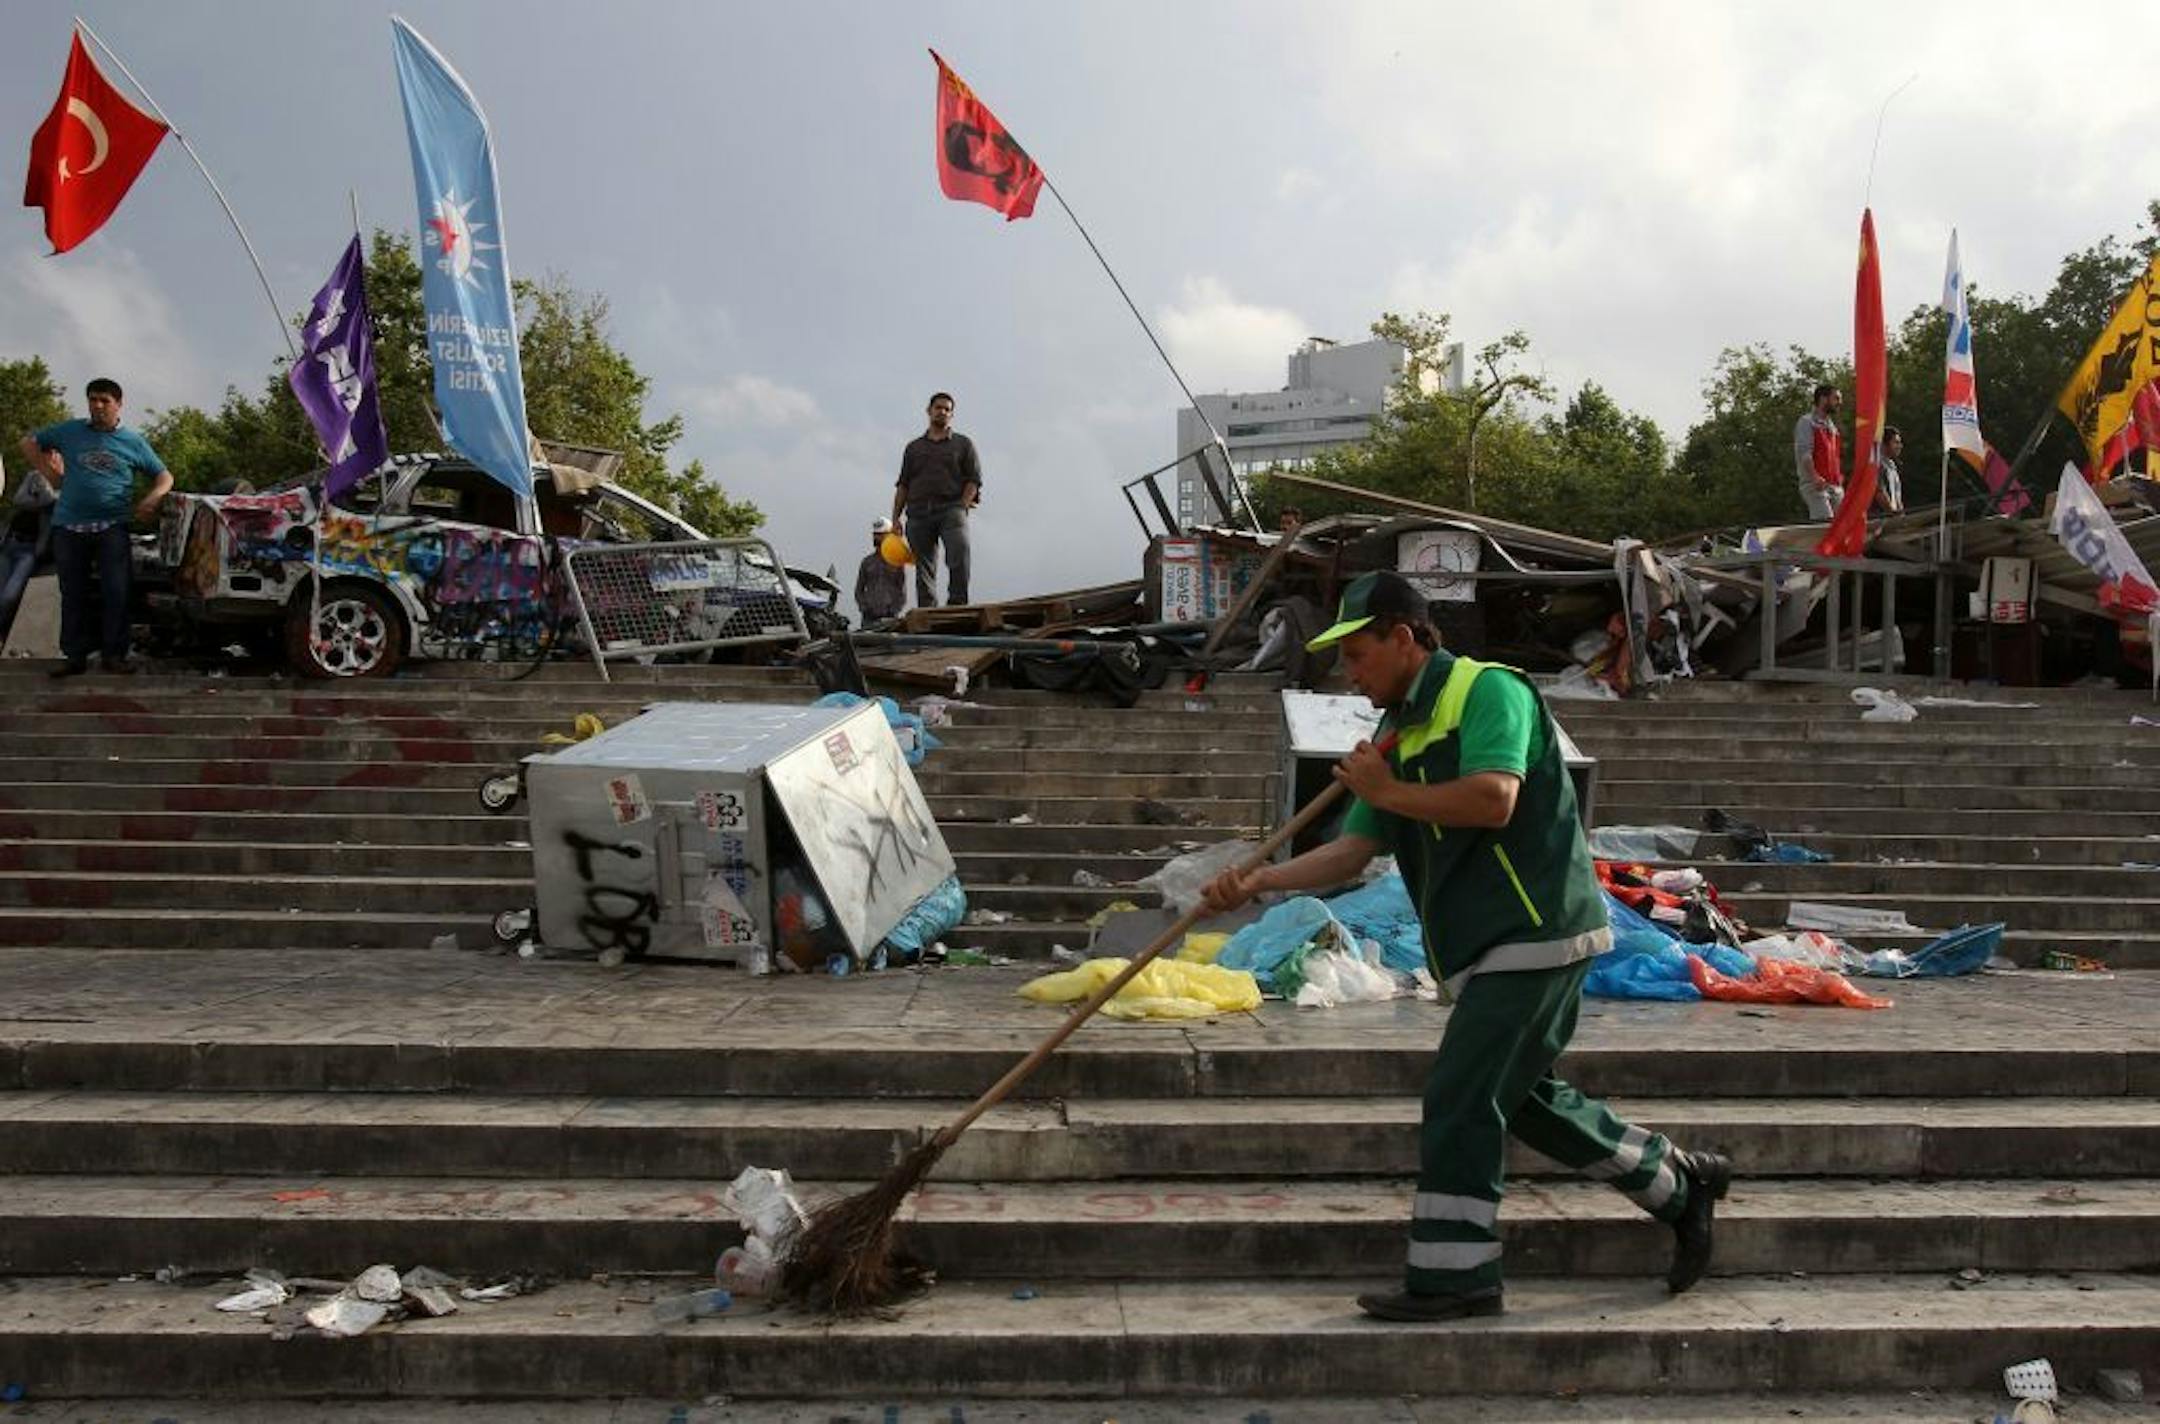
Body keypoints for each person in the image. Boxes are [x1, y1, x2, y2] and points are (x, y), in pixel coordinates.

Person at [1202, 570, 1731, 1323]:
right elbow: (1352, 854)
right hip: (1482, 946)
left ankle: (1458, 1276)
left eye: (1358, 654)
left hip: (1539, 927)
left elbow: (1494, 797)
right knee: (1522, 1100)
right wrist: (1256, 880)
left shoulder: (1489, 693)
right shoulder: (1397, 735)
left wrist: (1386, 792)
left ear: (1405, 637)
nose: (1349, 673)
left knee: (1459, 1093)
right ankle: (1680, 1187)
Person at [21, 377, 170, 676]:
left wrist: (152, 498)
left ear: (119, 404)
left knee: (116, 591)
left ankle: (114, 655)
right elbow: (28, 442)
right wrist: (49, 473)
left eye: (104, 400)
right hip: (69, 526)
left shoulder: (132, 441)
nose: (98, 405)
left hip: (112, 525)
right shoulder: (70, 431)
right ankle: (74, 656)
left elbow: (164, 476)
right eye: (93, 399)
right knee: (72, 591)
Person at [892, 391, 980, 608]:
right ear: (929, 411)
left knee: (959, 553)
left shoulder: (963, 444)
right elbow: (903, 483)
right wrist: (895, 518)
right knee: (924, 567)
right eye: (938, 407)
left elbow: (974, 479)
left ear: (951, 415)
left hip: (951, 509)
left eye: (947, 409)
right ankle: (928, 610)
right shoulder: (914, 448)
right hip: (918, 513)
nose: (942, 412)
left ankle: (957, 604)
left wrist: (962, 506)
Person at [0, 455, 57, 651]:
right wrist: (43, 495)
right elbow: (20, 500)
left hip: (30, 549)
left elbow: (53, 502)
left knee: (10, 596)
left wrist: (41, 493)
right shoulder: (34, 475)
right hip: (10, 543)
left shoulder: (66, 483)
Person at [1793, 383, 1843, 520]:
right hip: (1816, 485)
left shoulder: (1832, 427)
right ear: (1823, 399)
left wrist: (1839, 479)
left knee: (1842, 526)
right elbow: (1804, 454)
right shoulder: (1806, 422)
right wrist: (1814, 477)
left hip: (1835, 486)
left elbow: (1835, 457)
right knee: (1825, 524)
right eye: (1836, 398)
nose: (1840, 403)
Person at [855, 516, 908, 626]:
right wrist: (864, 607)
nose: (877, 537)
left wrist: (894, 609)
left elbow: (902, 590)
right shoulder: (867, 562)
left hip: (890, 617)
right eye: (875, 535)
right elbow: (859, 589)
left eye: (880, 535)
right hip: (869, 618)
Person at [1875, 426, 1905, 514]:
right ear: (1884, 444)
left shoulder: (1892, 466)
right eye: (1896, 443)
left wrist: (1902, 517)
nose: (1900, 446)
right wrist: (1892, 514)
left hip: (1893, 518)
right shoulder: (1878, 464)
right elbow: (1879, 493)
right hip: (1880, 519)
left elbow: (1897, 496)